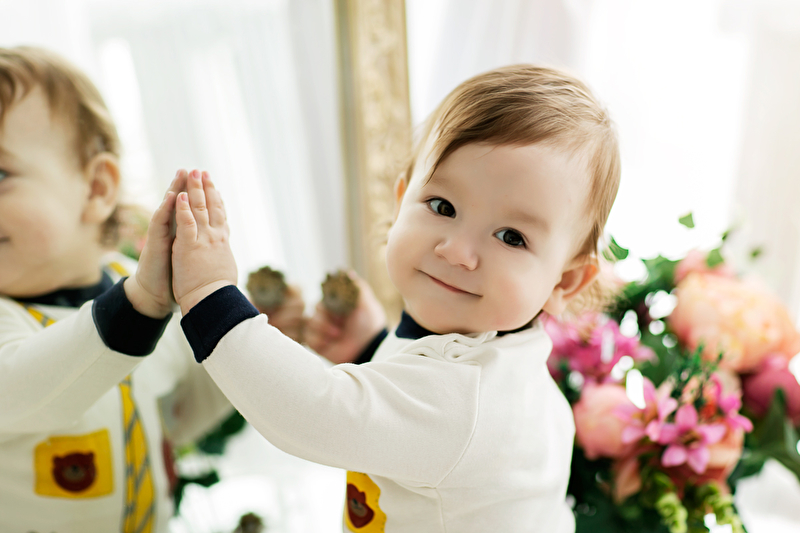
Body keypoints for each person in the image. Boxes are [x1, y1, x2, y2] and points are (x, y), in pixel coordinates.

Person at [146, 64, 621, 532]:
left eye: (511, 237)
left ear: (564, 282)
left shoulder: (467, 403)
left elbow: (313, 413)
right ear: (400, 201)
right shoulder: (503, 363)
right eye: (443, 206)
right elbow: (419, 404)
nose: (457, 251)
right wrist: (373, 347)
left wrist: (209, 295)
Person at [0, 46, 247, 533]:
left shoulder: (139, 287)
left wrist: (240, 332)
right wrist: (138, 306)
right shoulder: (140, 299)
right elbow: (23, 390)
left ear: (96, 188)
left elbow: (179, 415)